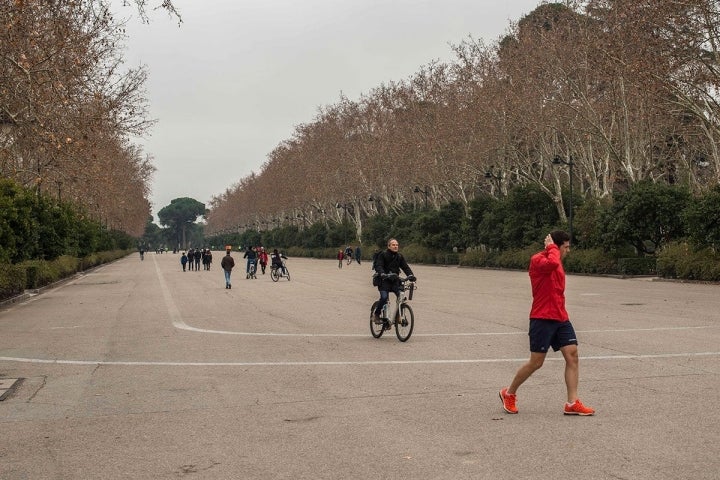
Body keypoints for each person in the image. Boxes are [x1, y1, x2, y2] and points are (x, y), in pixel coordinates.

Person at [499, 231, 595, 416]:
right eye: (565, 247)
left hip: (560, 317)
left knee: (572, 355)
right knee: (536, 362)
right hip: (542, 317)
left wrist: (554, 249)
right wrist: (551, 248)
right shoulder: (538, 260)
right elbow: (551, 263)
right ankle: (509, 393)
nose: (569, 251)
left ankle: (572, 403)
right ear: (555, 246)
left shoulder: (556, 261)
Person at [372, 238, 416, 330]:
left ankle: (399, 316)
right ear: (389, 246)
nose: (395, 246)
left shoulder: (399, 256)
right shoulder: (383, 255)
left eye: (397, 245)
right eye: (393, 245)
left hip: (395, 281)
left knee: (401, 297)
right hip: (384, 280)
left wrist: (411, 275)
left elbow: (405, 267)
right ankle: (376, 314)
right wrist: (382, 273)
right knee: (384, 298)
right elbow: (378, 265)